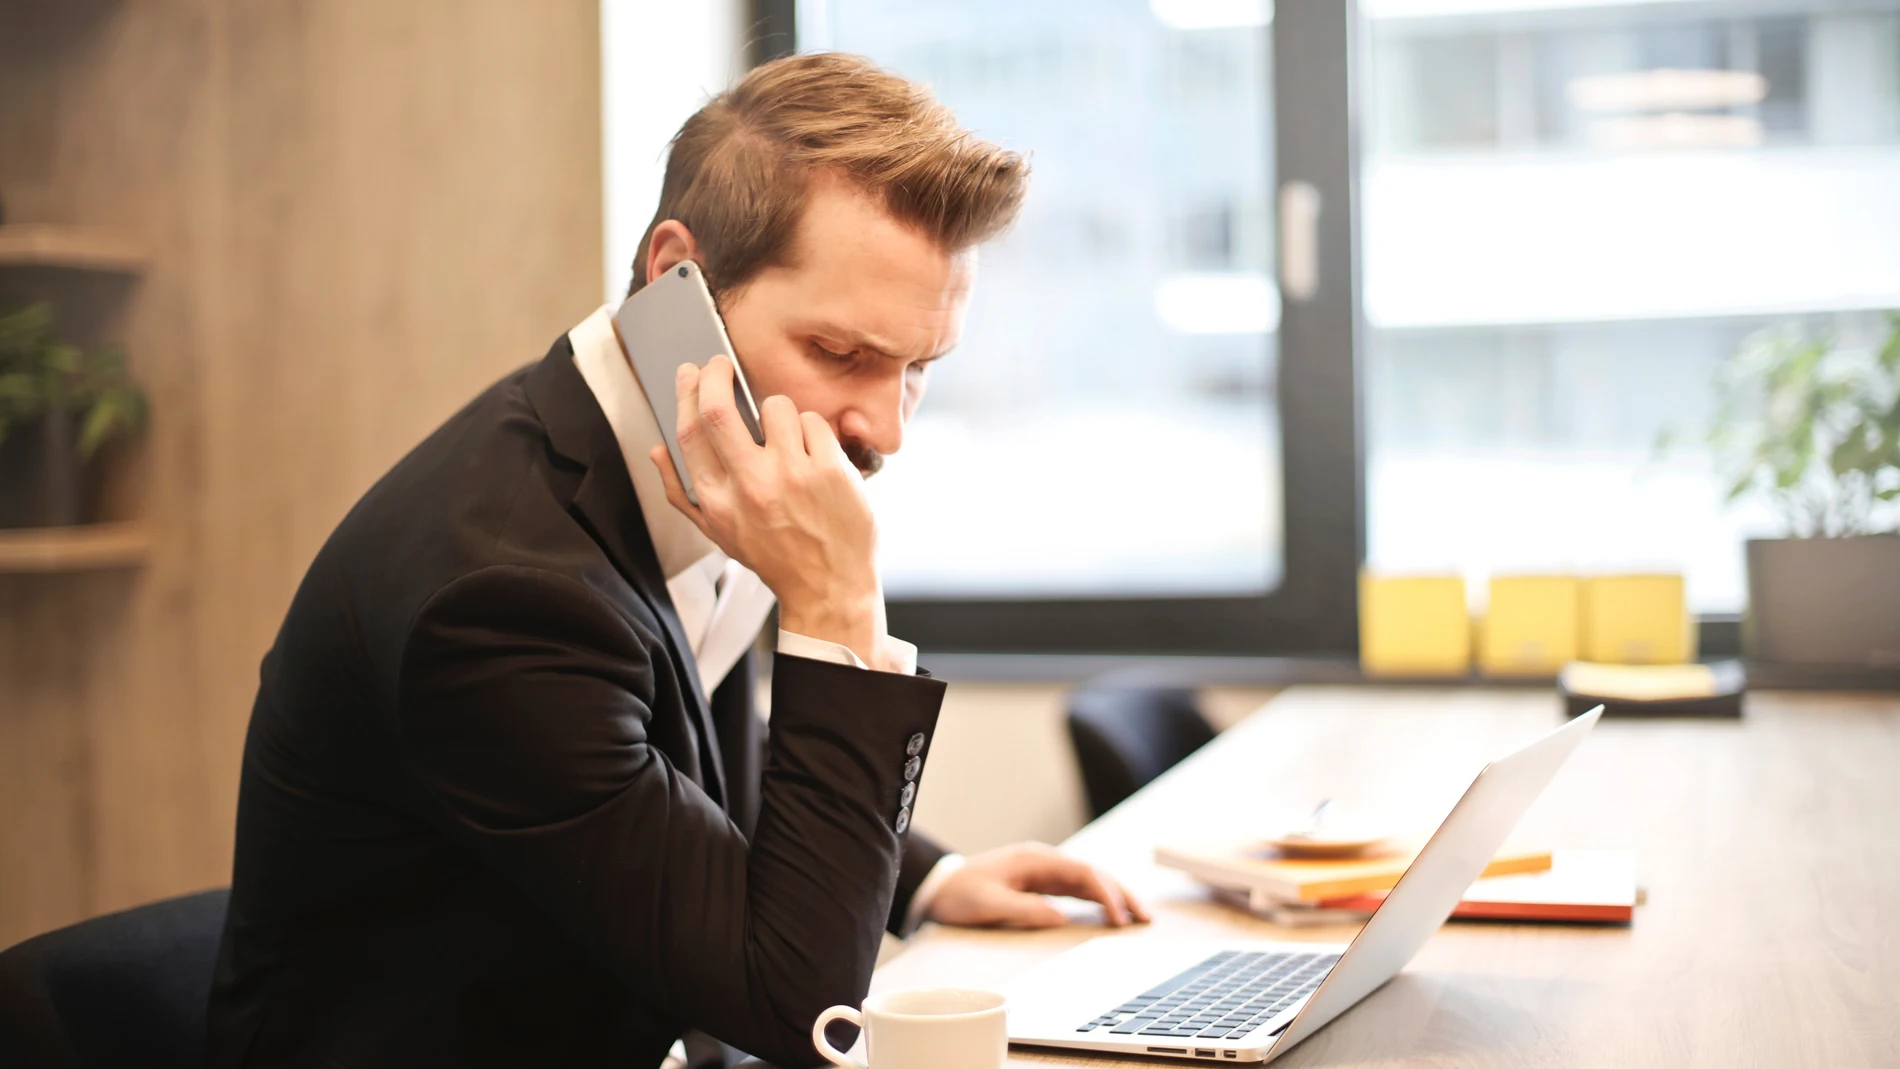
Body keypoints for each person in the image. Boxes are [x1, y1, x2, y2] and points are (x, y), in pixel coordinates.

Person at [207, 52, 1148, 1069]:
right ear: (676, 281)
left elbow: (683, 746)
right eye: (841, 353)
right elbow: (801, 1007)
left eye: (917, 369)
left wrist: (927, 875)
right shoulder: (499, 600)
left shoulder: (701, 452)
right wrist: (835, 607)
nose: (886, 428)